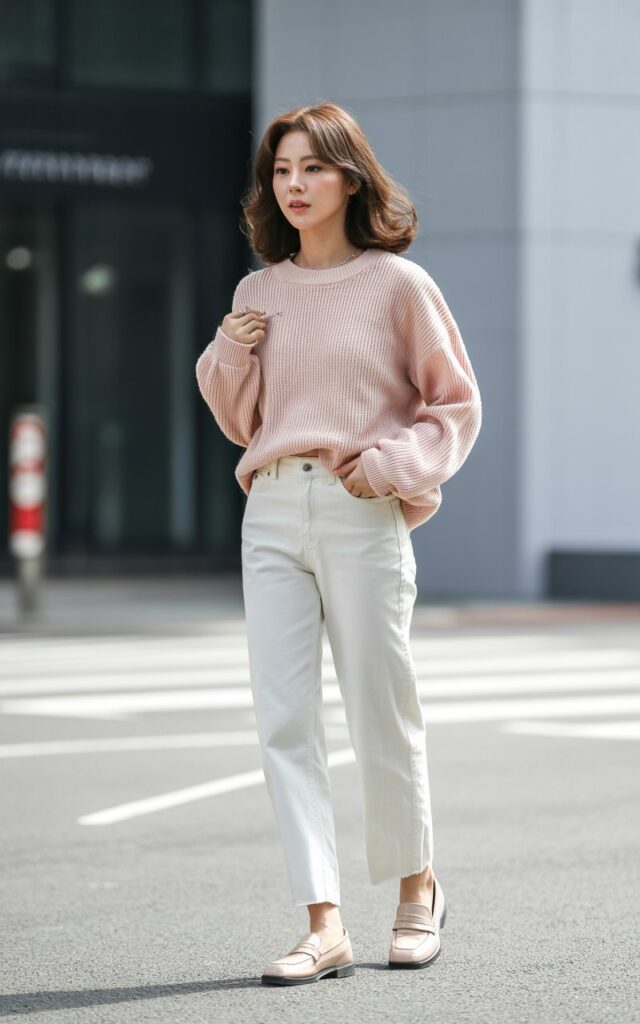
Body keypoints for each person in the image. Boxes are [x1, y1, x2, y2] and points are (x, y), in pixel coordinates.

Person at [195, 100, 482, 986]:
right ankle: (323, 922)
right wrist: (228, 351)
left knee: (380, 707)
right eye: (281, 171)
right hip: (272, 509)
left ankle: (416, 890)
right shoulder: (258, 292)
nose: (294, 185)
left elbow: (455, 405)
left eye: (312, 168)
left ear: (350, 178)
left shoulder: (399, 285)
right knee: (284, 719)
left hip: (361, 509)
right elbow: (240, 420)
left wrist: (392, 465)